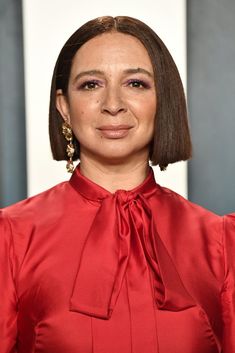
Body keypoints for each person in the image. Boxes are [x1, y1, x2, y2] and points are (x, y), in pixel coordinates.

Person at [0, 15, 234, 353]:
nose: (112, 105)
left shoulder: (223, 245)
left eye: (136, 83)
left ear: (163, 100)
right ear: (64, 107)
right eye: (91, 84)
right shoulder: (10, 237)